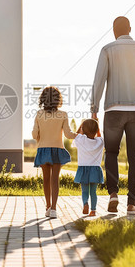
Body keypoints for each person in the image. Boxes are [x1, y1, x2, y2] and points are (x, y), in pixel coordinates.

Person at [91, 16, 135, 215]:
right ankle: (132, 204)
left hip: (113, 110)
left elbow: (99, 80)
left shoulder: (107, 50)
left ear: (113, 31)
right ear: (130, 28)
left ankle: (113, 194)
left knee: (111, 152)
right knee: (134, 157)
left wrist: (94, 108)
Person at [32, 86, 77, 218]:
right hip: (58, 149)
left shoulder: (39, 114)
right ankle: (54, 209)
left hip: (43, 149)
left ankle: (47, 206)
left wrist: (38, 132)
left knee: (46, 179)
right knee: (55, 180)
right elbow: (68, 134)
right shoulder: (63, 114)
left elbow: (34, 135)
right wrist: (78, 134)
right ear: (58, 100)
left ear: (43, 99)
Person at [72, 118, 104, 217]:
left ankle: (85, 203)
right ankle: (93, 210)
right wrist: (98, 131)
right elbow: (100, 136)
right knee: (93, 192)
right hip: (95, 169)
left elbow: (76, 136)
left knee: (84, 191)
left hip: (83, 169)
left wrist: (80, 130)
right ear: (97, 130)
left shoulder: (80, 140)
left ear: (82, 130)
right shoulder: (100, 141)